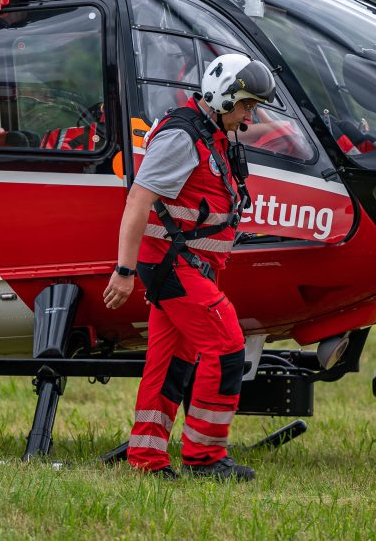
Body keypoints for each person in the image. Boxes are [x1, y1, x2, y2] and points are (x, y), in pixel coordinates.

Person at [103, 52, 277, 481]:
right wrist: (124, 272)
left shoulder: (212, 132)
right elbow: (137, 202)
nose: (250, 115)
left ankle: (146, 459)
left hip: (188, 266)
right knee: (226, 346)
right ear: (224, 97)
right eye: (247, 105)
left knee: (169, 363)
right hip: (173, 267)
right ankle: (205, 458)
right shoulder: (182, 137)